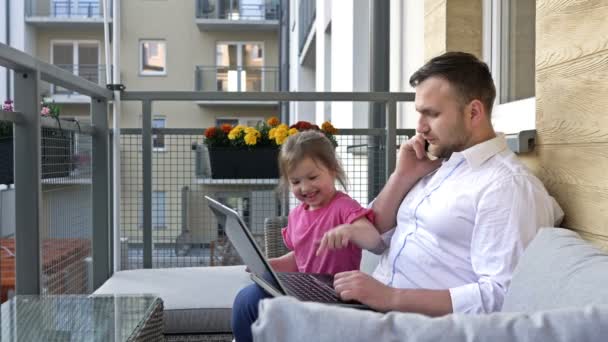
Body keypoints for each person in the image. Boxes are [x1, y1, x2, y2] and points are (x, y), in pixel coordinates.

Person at [317, 51, 564, 316]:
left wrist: (391, 297)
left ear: (474, 112)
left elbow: (502, 296)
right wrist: (401, 177)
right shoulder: (438, 166)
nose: (420, 127)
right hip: (373, 310)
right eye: (419, 114)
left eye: (431, 114)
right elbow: (375, 238)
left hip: (415, 326)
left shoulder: (507, 186)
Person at [231, 130, 382, 342]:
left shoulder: (343, 206)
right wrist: (271, 265)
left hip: (335, 296)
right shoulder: (297, 215)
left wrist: (349, 230)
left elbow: (373, 239)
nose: (305, 187)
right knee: (249, 297)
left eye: (312, 177)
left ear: (332, 170)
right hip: (307, 290)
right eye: (295, 182)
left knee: (250, 301)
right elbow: (301, 257)